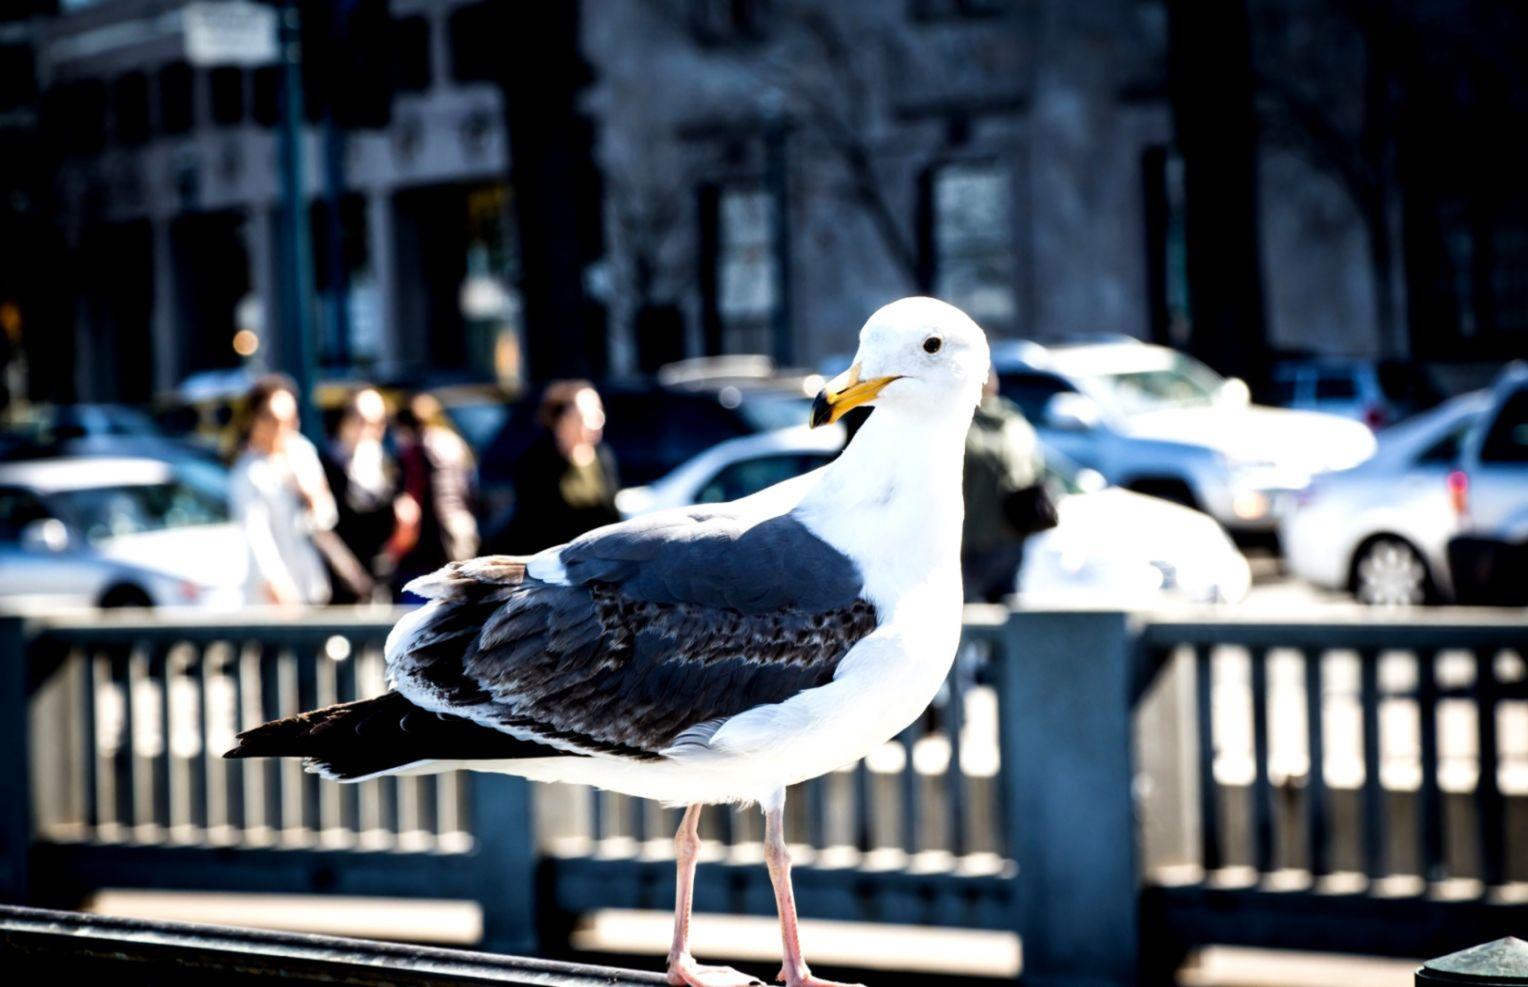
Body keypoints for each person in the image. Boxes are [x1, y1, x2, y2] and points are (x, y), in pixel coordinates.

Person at [229, 375, 337, 607]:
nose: (281, 429)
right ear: (255, 420)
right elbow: (256, 536)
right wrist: (275, 582)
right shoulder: (248, 472)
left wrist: (313, 496)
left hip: (311, 582)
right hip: (272, 596)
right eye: (273, 420)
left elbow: (326, 516)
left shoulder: (302, 452)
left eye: (289, 420)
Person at [488, 380, 621, 555]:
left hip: (594, 558)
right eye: (586, 415)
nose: (597, 421)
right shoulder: (535, 461)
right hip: (551, 559)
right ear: (560, 421)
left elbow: (611, 515)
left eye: (599, 412)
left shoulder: (603, 456)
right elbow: (534, 523)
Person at [961, 369, 1053, 603]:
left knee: (1002, 615)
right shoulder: (960, 424)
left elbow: (1035, 470)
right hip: (973, 541)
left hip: (1005, 539)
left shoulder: (1010, 421)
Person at [392, 393, 480, 595]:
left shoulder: (416, 449)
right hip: (461, 527)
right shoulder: (455, 442)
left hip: (433, 535)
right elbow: (470, 490)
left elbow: (414, 494)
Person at [322, 387, 398, 603]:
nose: (370, 431)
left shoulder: (385, 462)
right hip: (340, 583)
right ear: (345, 421)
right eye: (361, 421)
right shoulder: (328, 465)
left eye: (379, 423)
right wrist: (352, 574)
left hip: (381, 576)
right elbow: (321, 528)